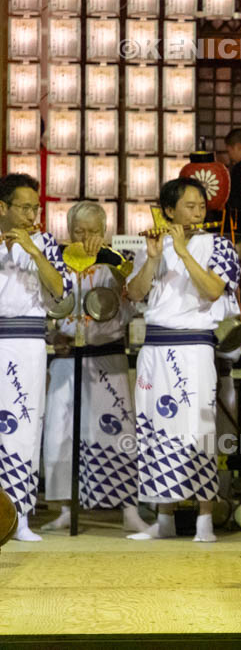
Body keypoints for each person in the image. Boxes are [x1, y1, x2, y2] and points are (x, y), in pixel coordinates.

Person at [125, 177, 240, 542]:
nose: (197, 212)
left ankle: (205, 517)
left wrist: (184, 251)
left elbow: (213, 290)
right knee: (156, 428)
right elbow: (135, 294)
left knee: (198, 428)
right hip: (156, 346)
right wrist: (155, 258)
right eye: (188, 206)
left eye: (201, 206)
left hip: (194, 346)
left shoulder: (219, 245)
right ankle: (164, 519)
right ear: (168, 210)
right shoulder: (150, 246)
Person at [42, 202, 149, 532]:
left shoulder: (116, 263)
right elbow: (43, 305)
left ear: (104, 233)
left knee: (117, 429)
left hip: (106, 356)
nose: (85, 237)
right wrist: (51, 334)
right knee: (59, 433)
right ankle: (63, 507)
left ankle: (129, 508)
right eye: (78, 231)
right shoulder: (56, 264)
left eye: (92, 231)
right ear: (68, 231)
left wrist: (115, 266)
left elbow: (136, 299)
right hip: (66, 359)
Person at [0, 173, 72, 541]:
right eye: (24, 207)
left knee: (24, 429)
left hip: (27, 341)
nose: (31, 214)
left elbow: (61, 290)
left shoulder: (45, 243)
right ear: (3, 207)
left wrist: (32, 250)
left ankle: (20, 518)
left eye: (34, 207)